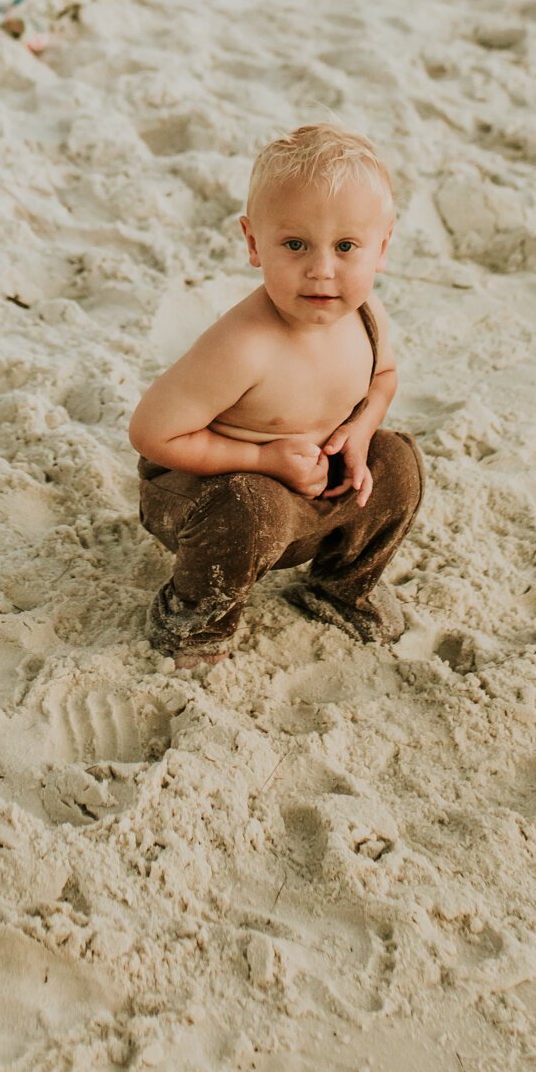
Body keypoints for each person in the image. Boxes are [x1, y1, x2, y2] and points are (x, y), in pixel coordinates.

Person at [128, 124, 423, 669]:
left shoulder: (365, 316)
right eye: (295, 244)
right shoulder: (244, 345)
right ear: (252, 243)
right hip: (207, 495)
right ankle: (193, 617)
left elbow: (384, 379)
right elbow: (151, 434)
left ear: (381, 248)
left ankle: (341, 586)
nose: (321, 269)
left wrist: (358, 434)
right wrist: (263, 459)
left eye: (345, 247)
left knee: (398, 461)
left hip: (307, 489)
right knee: (251, 504)